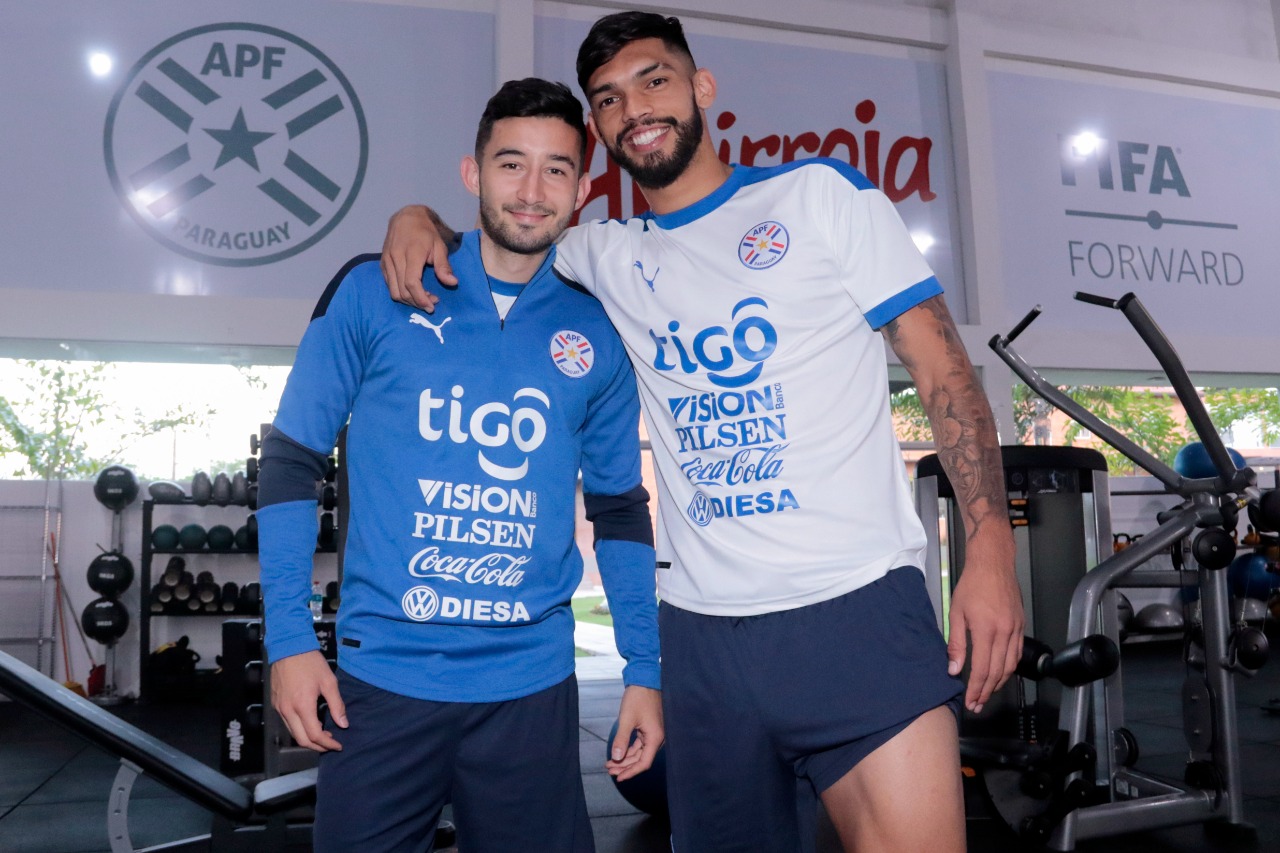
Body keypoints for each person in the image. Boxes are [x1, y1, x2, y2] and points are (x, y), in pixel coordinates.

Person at [379, 12, 1025, 852]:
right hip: (702, 640)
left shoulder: (818, 197)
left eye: (654, 79)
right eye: (608, 98)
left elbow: (946, 375)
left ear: (701, 88)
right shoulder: (599, 255)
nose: (634, 107)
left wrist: (993, 556)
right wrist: (417, 213)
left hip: (855, 610)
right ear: (600, 128)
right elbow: (509, 231)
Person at [258, 77, 662, 853]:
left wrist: (644, 665)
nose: (532, 190)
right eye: (511, 164)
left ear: (583, 188)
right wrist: (290, 640)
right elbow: (289, 463)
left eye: (556, 170)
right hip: (380, 687)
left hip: (531, 692)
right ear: (472, 174)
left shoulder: (601, 329)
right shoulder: (375, 290)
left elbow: (619, 509)